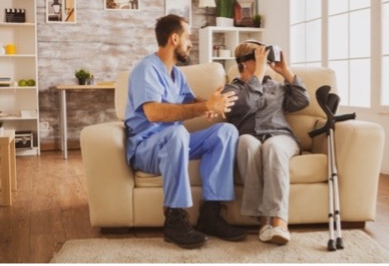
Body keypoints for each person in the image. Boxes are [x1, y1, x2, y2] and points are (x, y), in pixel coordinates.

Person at [124, 14, 246, 249]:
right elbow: (153, 113)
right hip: (146, 148)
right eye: (188, 37)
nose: (190, 43)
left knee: (226, 132)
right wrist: (204, 107)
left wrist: (214, 104)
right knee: (177, 133)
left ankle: (210, 214)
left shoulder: (177, 75)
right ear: (174, 38)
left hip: (175, 144)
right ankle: (175, 219)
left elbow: (192, 101)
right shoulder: (146, 69)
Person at [223, 41, 310, 245]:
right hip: (249, 136)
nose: (264, 61)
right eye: (259, 57)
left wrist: (286, 72)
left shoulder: (277, 86)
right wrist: (258, 74)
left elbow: (302, 102)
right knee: (245, 142)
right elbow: (246, 104)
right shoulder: (232, 89)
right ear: (244, 63)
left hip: (280, 136)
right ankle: (263, 222)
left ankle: (279, 223)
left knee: (273, 147)